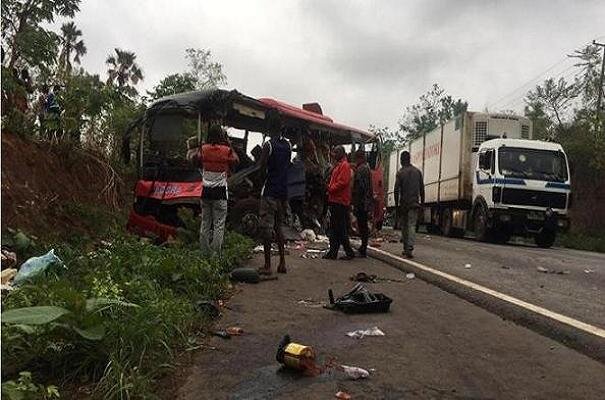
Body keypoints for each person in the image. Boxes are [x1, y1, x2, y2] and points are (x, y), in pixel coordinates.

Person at [196, 125, 239, 254]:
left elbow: (195, 159)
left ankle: (204, 253)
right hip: (220, 193)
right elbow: (236, 160)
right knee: (219, 225)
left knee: (205, 223)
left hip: (205, 192)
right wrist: (229, 144)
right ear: (221, 136)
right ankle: (215, 255)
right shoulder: (226, 150)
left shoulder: (203, 149)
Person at [258, 115, 291, 275]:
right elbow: (286, 167)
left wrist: (259, 183)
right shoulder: (288, 145)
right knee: (279, 227)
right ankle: (282, 263)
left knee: (266, 228)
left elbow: (261, 168)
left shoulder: (268, 145)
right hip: (283, 192)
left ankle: (267, 265)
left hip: (270, 190)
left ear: (269, 129)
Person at [323, 145, 355, 260]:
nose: (333, 154)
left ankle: (347, 252)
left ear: (341, 153)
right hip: (336, 200)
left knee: (339, 228)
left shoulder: (344, 166)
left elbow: (342, 182)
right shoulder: (339, 166)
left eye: (336, 152)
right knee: (336, 228)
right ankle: (333, 252)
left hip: (339, 201)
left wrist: (330, 189)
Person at [394, 151, 424, 258]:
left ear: (402, 160)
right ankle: (410, 247)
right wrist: (422, 204)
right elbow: (422, 189)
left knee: (404, 226)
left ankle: (406, 247)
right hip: (414, 203)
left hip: (404, 204)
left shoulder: (400, 173)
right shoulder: (417, 172)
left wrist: (397, 205)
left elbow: (396, 190)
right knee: (412, 225)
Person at [352, 149, 373, 257]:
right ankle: (363, 247)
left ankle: (363, 248)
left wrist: (355, 202)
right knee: (363, 225)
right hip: (365, 201)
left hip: (361, 202)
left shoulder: (361, 169)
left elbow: (360, 187)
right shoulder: (367, 168)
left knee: (362, 225)